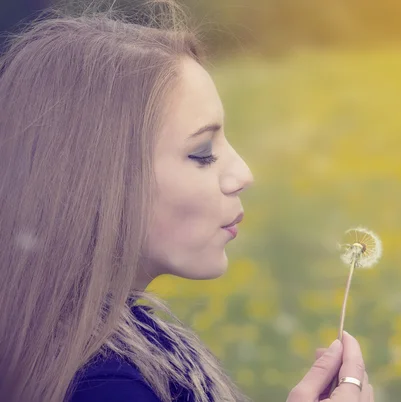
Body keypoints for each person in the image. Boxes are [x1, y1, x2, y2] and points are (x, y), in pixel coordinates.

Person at [0, 1, 374, 402]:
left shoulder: (78, 344)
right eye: (202, 152)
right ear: (91, 180)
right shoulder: (108, 387)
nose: (243, 174)